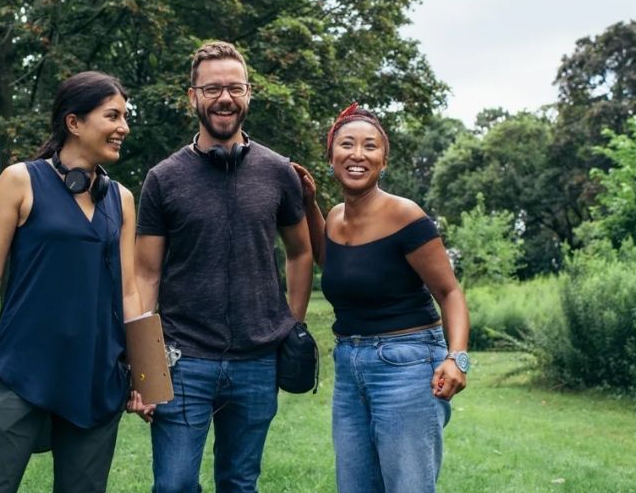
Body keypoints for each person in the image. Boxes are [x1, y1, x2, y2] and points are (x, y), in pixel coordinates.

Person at [0, 71, 143, 492]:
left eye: (125, 116)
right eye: (113, 116)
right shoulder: (19, 181)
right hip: (20, 370)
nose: (124, 127)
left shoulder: (122, 200)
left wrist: (147, 375)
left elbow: (129, 289)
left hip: (96, 378)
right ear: (74, 122)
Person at [134, 41, 313, 493]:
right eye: (212, 88)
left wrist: (292, 325)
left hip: (257, 362)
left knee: (239, 483)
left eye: (235, 87)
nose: (225, 98)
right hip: (183, 360)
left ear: (249, 93)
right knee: (173, 486)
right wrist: (146, 368)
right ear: (192, 96)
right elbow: (145, 275)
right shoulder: (163, 178)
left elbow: (300, 252)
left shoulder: (278, 172)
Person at [292, 102, 470, 493]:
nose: (358, 154)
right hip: (349, 363)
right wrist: (308, 202)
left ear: (383, 160)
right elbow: (329, 258)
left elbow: (449, 292)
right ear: (331, 155)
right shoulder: (336, 216)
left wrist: (457, 358)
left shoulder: (405, 216)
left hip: (407, 364)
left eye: (370, 146)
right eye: (347, 145)